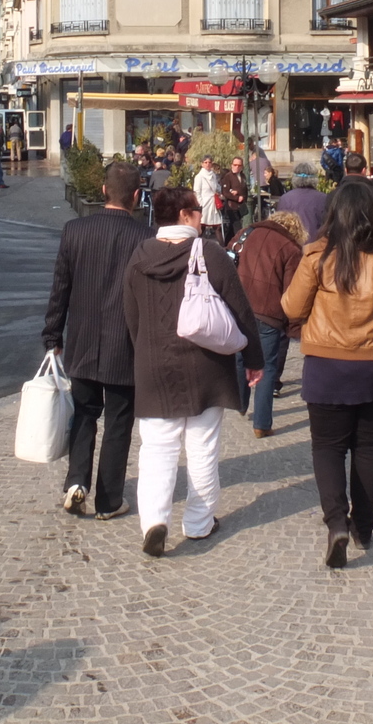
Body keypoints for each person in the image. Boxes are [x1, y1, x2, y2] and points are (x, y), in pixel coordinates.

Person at [280, 178, 373, 567]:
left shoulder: (317, 256)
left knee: (327, 447)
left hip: (326, 364)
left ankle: (336, 522)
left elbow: (291, 308)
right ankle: (364, 525)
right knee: (368, 447)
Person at [123, 186, 263, 556]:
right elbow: (241, 310)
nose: (202, 215)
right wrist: (254, 360)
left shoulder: (139, 255)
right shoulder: (211, 254)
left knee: (156, 449)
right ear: (184, 215)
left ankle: (155, 521)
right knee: (202, 448)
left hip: (154, 366)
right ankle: (199, 524)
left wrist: (144, 353)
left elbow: (131, 315)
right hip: (206, 367)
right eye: (198, 210)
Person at [43, 162, 156, 520]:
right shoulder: (146, 239)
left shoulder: (74, 230)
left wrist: (52, 335)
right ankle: (108, 500)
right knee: (119, 422)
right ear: (137, 197)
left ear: (104, 191)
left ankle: (77, 482)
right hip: (126, 345)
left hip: (83, 340)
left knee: (84, 414)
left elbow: (60, 288)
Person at [236, 209, 306, 438]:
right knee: (266, 367)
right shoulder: (291, 249)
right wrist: (294, 327)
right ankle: (261, 423)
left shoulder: (246, 234)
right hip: (269, 316)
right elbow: (291, 292)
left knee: (239, 357)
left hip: (239, 309)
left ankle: (240, 403)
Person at [275, 172, 328, 242]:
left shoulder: (285, 198)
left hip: (291, 244)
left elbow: (279, 226)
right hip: (315, 245)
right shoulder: (323, 198)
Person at [218, 157, 247, 243]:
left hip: (240, 206)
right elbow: (225, 192)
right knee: (237, 226)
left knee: (231, 228)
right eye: (235, 165)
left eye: (239, 165)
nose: (237, 167)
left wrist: (242, 196)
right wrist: (236, 197)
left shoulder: (243, 176)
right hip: (231, 206)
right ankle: (240, 244)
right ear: (231, 165)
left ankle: (227, 244)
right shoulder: (228, 176)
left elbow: (245, 190)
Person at [193, 155, 222, 238]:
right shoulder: (199, 177)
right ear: (202, 164)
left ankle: (223, 248)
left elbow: (217, 187)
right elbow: (197, 192)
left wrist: (220, 192)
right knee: (202, 227)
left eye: (209, 162)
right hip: (205, 204)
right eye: (205, 162)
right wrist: (201, 203)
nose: (207, 164)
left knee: (217, 227)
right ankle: (197, 245)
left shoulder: (213, 175)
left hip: (213, 203)